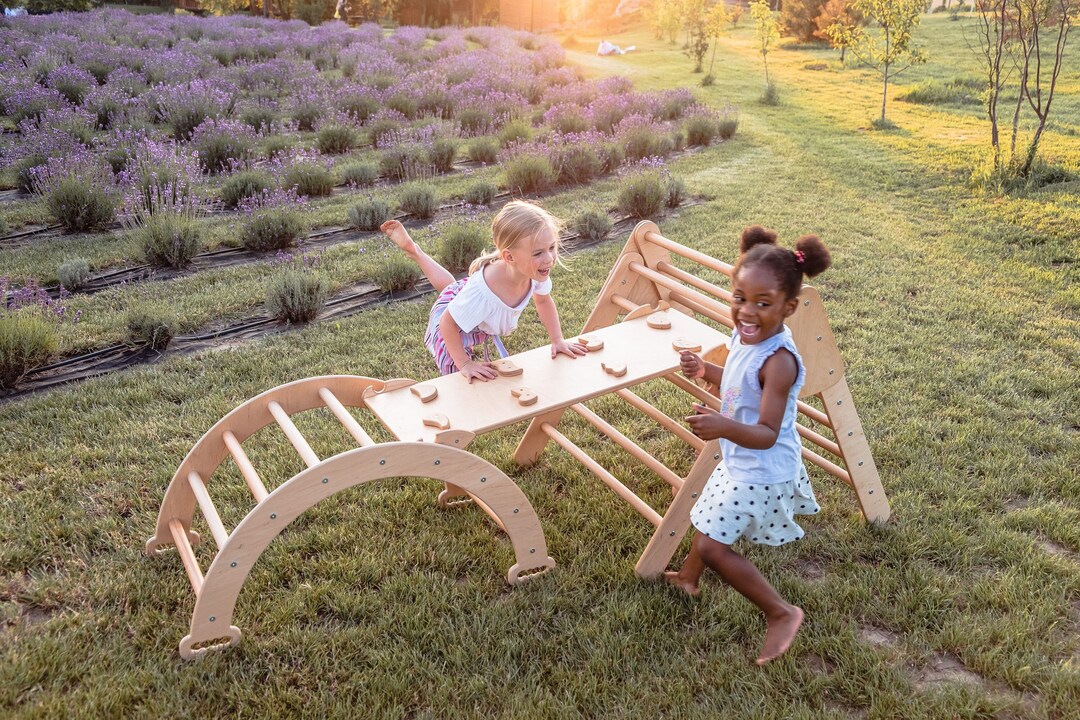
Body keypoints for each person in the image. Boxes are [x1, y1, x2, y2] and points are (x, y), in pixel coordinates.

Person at [664, 224, 831, 665]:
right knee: (707, 516)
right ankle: (687, 578)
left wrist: (721, 425)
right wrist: (705, 370)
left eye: (763, 304)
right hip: (739, 456)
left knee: (712, 545)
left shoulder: (780, 362)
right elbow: (739, 381)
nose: (747, 312)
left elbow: (767, 432)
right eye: (740, 299)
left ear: (788, 307)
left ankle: (781, 612)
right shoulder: (745, 336)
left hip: (762, 464)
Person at [379, 201, 586, 382]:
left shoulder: (535, 270)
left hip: (468, 298)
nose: (549, 258)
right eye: (539, 252)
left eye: (552, 247)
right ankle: (414, 251)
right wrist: (465, 364)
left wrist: (558, 340)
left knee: (452, 288)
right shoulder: (483, 292)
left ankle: (416, 251)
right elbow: (447, 324)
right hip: (449, 325)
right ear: (510, 257)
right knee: (457, 381)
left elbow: (543, 301)